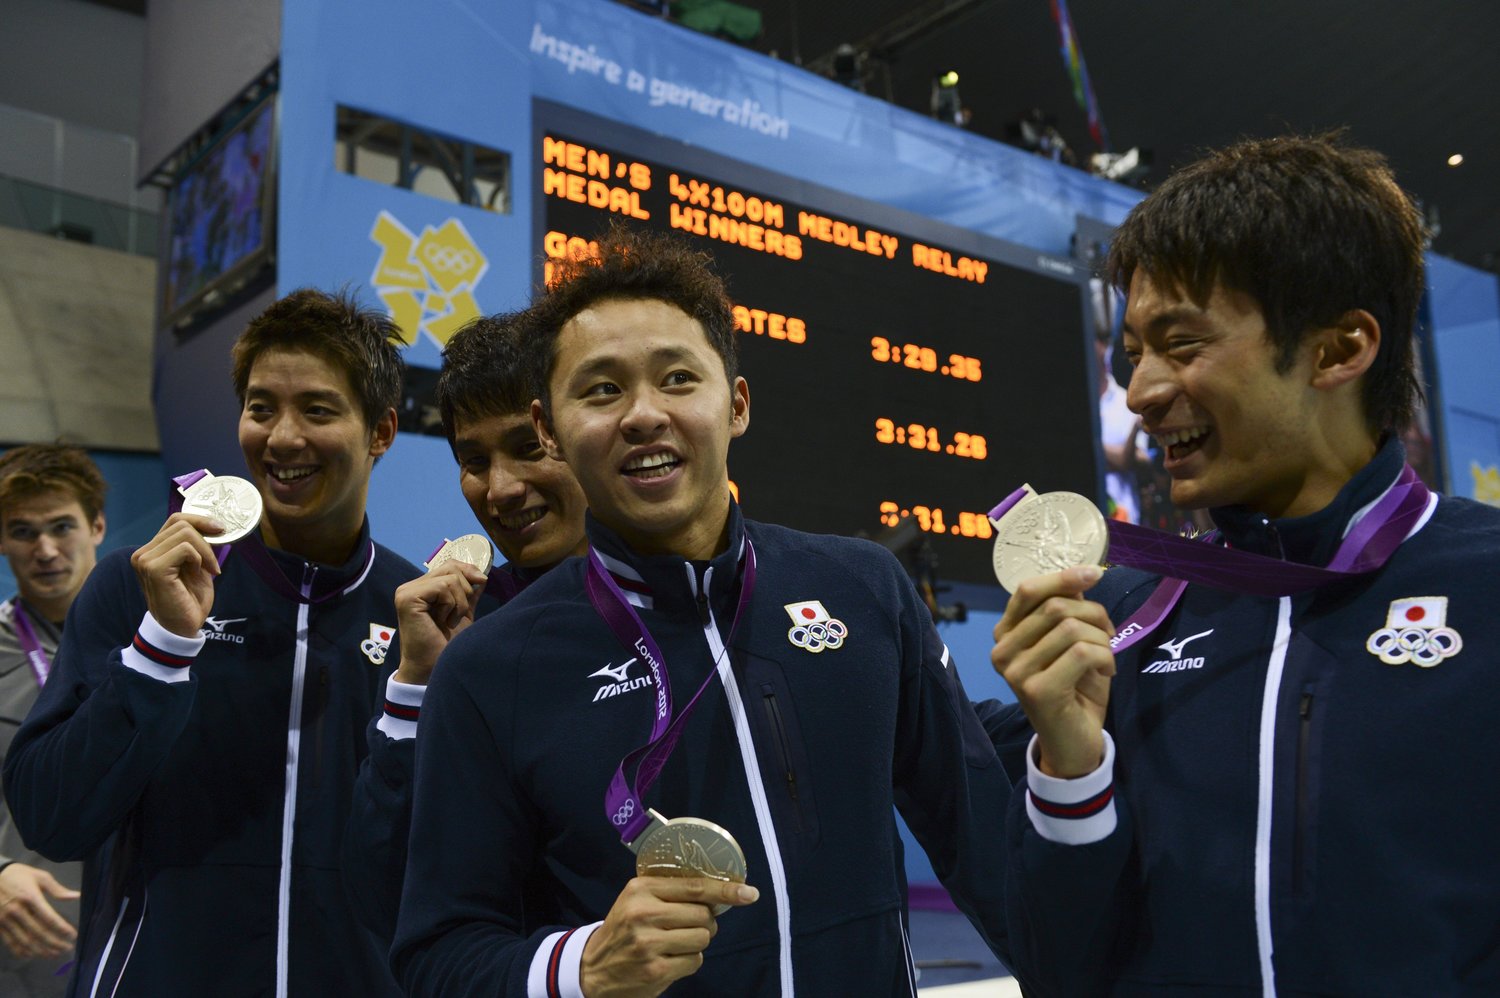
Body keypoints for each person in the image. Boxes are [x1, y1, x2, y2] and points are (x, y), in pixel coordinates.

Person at [391, 228, 1013, 996]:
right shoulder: (489, 670)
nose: (644, 414)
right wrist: (580, 967)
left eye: (678, 378)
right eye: (601, 389)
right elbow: (437, 954)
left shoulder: (865, 589)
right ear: (550, 427)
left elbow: (994, 854)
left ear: (738, 405)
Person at [992, 134, 1500, 994]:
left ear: (1340, 350)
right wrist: (1070, 776)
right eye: (1133, 356)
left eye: (1182, 344)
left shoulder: (1485, 587)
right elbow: (1060, 967)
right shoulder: (1123, 622)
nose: (1142, 393)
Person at [3, 289, 420, 997]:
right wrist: (161, 648)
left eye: (317, 410)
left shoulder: (414, 614)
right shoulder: (133, 588)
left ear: (380, 431)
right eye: (261, 408)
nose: (282, 438)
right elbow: (53, 819)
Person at [343, 309, 589, 941]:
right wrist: (417, 688)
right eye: (473, 460)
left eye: (529, 447)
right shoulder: (466, 638)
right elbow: (384, 893)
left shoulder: (711, 598)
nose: (500, 488)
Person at [0, 446, 107, 995]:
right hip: (22, 950)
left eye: (61, 526)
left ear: (97, 526)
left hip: (140, 937)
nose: (44, 550)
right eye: (22, 531)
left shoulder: (167, 641)